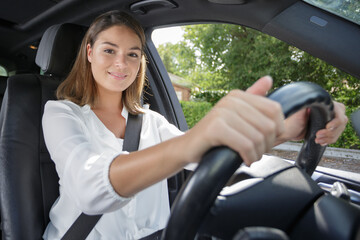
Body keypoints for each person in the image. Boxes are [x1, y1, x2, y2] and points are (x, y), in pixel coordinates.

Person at [42, 10, 348, 240]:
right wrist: (191, 142)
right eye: (109, 50)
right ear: (90, 52)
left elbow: (212, 153)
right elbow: (87, 187)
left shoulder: (151, 122)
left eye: (132, 54)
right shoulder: (61, 114)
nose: (121, 64)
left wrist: (288, 127)